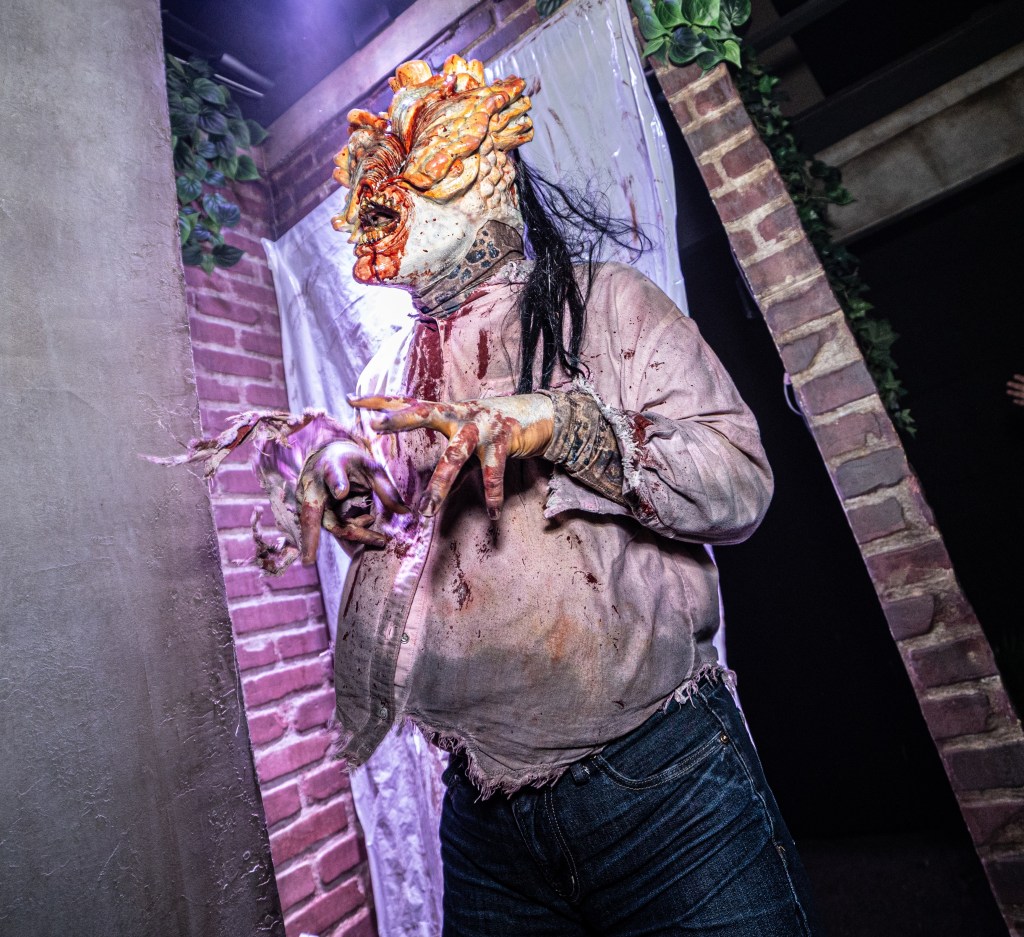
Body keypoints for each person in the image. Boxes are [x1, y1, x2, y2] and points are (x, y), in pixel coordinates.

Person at [290, 55, 820, 935]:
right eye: (371, 166)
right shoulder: (383, 379)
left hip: (665, 786)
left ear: (489, 170)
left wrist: (562, 424)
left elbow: (740, 482)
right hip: (483, 820)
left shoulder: (606, 302)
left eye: (418, 148)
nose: (375, 182)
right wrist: (359, 509)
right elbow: (416, 571)